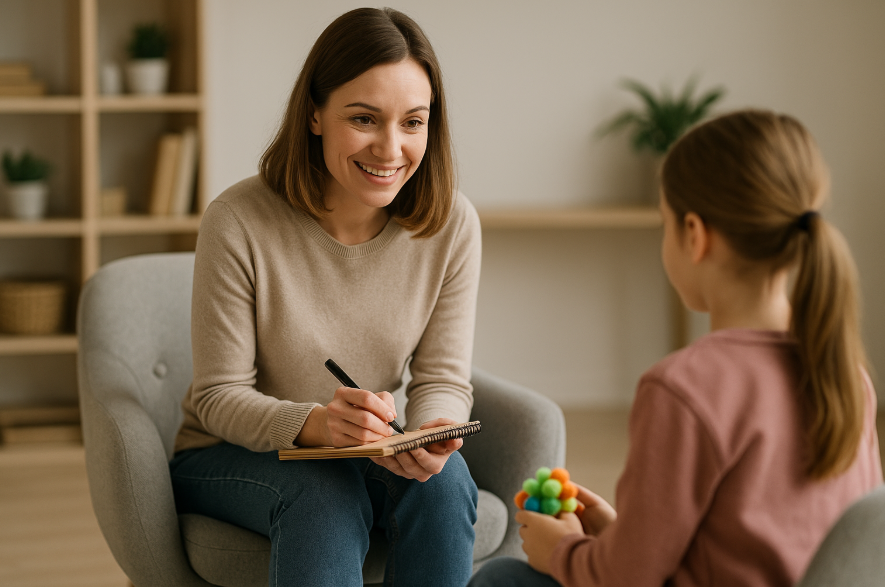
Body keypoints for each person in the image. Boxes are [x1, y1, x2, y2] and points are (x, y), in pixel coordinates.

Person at [469, 110, 883, 587]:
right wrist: (617, 534)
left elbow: (627, 580)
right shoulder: (846, 372)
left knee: (503, 577)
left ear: (694, 234)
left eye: (665, 224)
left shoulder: (684, 387)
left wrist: (561, 550)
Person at [168, 8, 481, 587]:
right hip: (229, 452)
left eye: (413, 122)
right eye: (364, 118)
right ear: (314, 114)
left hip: (364, 451)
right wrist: (316, 423)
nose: (391, 149)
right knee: (321, 490)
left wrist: (436, 430)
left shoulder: (451, 224)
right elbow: (218, 396)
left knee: (445, 482)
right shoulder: (237, 220)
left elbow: (442, 375)